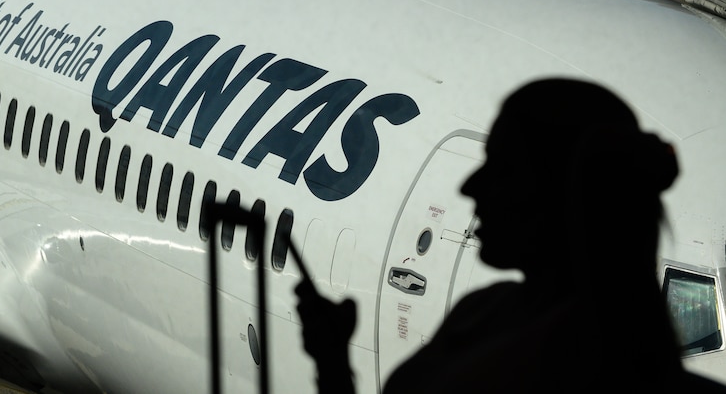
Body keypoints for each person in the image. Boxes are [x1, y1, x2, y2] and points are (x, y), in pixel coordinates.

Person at [295, 78, 726, 392]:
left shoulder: (507, 348)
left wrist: (332, 367)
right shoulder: (490, 313)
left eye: (502, 168)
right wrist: (332, 359)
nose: (470, 186)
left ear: (562, 198)